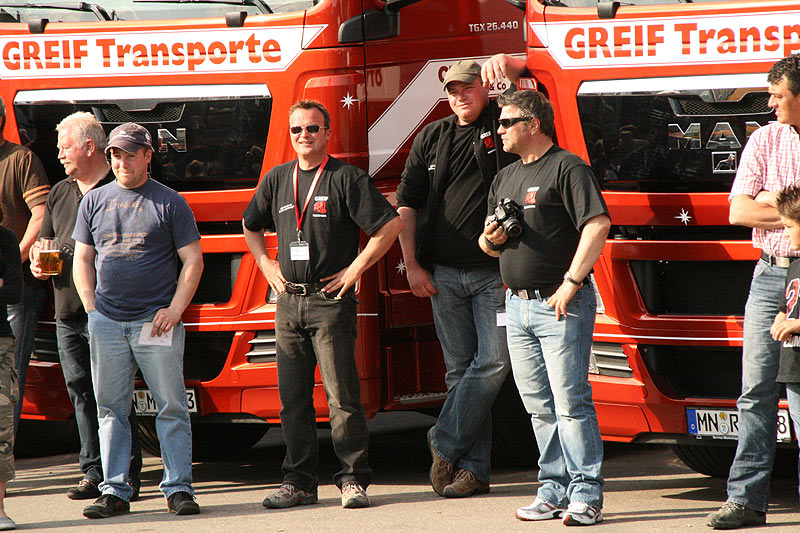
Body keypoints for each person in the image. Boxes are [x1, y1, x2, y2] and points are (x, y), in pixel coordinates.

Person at [243, 100, 402, 509]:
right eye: (297, 130)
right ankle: (298, 482)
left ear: (328, 133)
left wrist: (355, 269)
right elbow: (250, 223)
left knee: (341, 397)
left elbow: (391, 225)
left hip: (330, 302)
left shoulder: (346, 178)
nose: (304, 136)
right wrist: (266, 265)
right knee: (292, 400)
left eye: (313, 128)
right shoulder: (277, 178)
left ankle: (352, 479)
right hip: (288, 302)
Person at [394, 55, 526, 498]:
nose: (459, 96)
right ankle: (472, 471)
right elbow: (407, 203)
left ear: (484, 89)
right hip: (443, 275)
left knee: (494, 363)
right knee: (460, 373)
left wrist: (510, 64)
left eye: (467, 87)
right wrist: (412, 266)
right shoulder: (432, 136)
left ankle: (444, 439)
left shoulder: (503, 124)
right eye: (452, 90)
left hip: (494, 274)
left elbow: (531, 96)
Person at [479, 90, 610, 526]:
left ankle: (586, 494)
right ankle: (552, 489)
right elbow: (486, 243)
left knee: (570, 403)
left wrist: (571, 282)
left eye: (505, 122)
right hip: (516, 306)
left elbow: (597, 224)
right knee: (538, 406)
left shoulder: (567, 167)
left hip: (559, 305)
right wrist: (491, 239)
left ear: (532, 124)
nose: (498, 130)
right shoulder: (505, 176)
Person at [72, 123, 203, 519]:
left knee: (171, 407)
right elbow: (82, 258)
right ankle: (114, 491)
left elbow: (193, 260)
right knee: (110, 409)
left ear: (148, 156)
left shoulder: (170, 202)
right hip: (107, 322)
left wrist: (175, 310)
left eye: (130, 154)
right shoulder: (94, 201)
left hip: (156, 322)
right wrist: (91, 307)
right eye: (115, 155)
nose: (122, 162)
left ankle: (178, 489)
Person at [707, 53, 800, 530]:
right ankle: (745, 500)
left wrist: (771, 198)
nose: (770, 103)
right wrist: (794, 212)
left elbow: (756, 205)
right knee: (755, 391)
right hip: (769, 276)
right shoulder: (765, 139)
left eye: (778, 95)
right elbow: (738, 212)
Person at [29, 112, 142, 501]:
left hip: (110, 312)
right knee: (80, 392)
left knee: (115, 395)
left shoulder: (120, 188)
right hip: (66, 312)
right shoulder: (59, 192)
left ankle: (126, 473)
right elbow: (46, 241)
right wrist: (37, 261)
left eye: (65, 147)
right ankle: (93, 471)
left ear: (89, 147)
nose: (59, 155)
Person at [0, 96, 50, 435]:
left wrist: (12, 263)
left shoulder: (21, 159)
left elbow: (41, 214)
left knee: (6, 378)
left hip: (14, 290)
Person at [770, 185, 800, 507]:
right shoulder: (794, 265)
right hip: (793, 368)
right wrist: (780, 321)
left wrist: (795, 325)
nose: (786, 233)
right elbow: (785, 307)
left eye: (789, 226)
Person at [0, 207, 22, 531]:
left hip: (0, 343)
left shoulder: (5, 239)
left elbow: (13, 291)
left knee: (1, 428)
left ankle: (0, 509)